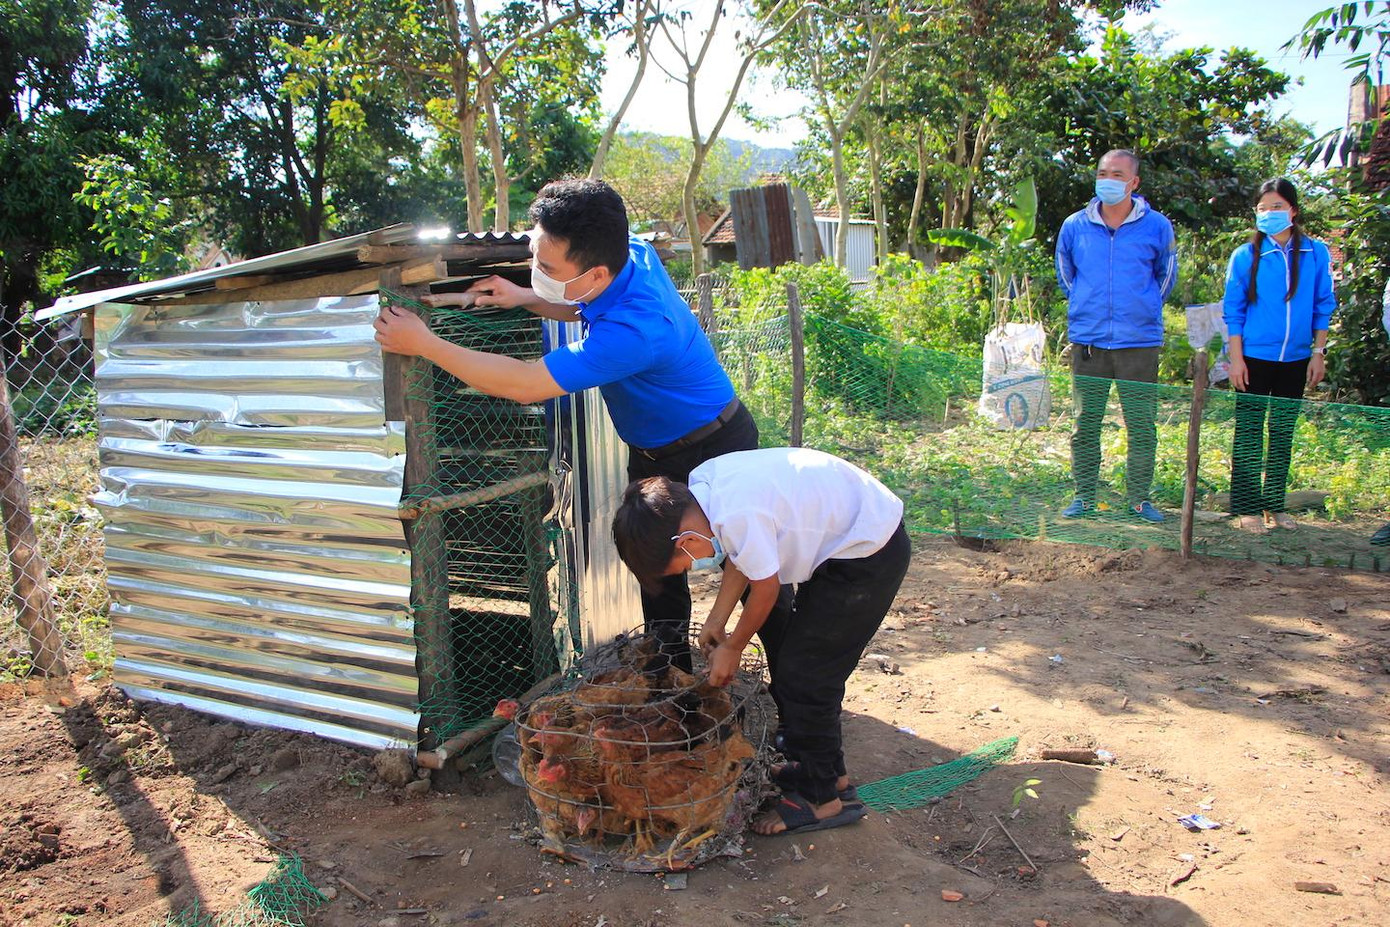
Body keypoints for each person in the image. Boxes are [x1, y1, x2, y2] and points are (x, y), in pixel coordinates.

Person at [373, 178, 758, 670]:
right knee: (654, 567)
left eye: (546, 267)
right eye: (536, 255)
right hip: (653, 448)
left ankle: (796, 703)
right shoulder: (630, 250)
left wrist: (426, 344)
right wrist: (525, 296)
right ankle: (671, 684)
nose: (537, 270)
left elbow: (527, 383)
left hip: (714, 443)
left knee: (749, 564)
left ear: (595, 271)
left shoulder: (638, 330)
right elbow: (586, 303)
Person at [610, 447, 910, 836]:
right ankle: (828, 774)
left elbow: (765, 589)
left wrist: (733, 646)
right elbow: (743, 556)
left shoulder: (735, 513)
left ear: (684, 540)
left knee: (805, 677)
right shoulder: (704, 488)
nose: (693, 567)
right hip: (846, 543)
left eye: (684, 564)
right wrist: (717, 620)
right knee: (802, 670)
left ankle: (821, 801)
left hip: (869, 553)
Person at [1055, 148, 1179, 523]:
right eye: (1103, 173)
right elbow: (1066, 274)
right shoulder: (1075, 225)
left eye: (1118, 175)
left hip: (1138, 343)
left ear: (1134, 182)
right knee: (1084, 423)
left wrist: (1142, 311)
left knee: (1141, 424)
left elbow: (1166, 275)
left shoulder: (1157, 226)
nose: (1108, 180)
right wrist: (1084, 305)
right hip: (1089, 341)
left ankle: (1140, 499)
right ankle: (1084, 497)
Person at [1222, 178, 1336, 533]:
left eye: (1276, 207)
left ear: (1293, 211)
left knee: (1283, 432)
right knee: (1249, 433)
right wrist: (1236, 359)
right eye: (1263, 208)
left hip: (1296, 358)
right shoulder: (1246, 255)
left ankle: (1275, 505)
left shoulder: (1315, 253)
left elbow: (1323, 305)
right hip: (1254, 357)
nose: (1269, 214)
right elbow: (1233, 311)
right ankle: (1246, 509)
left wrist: (1318, 352)